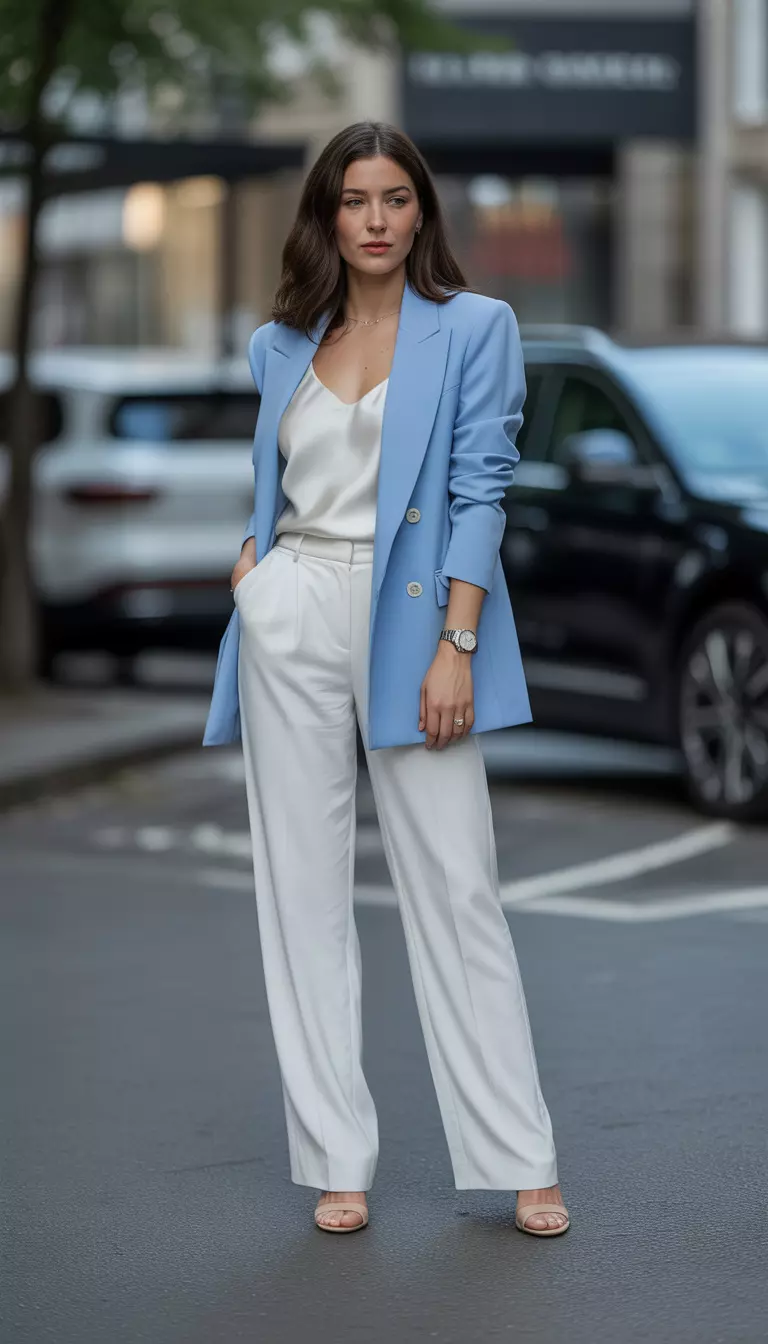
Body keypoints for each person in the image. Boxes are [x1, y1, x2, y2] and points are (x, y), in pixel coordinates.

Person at [203, 120, 570, 1238]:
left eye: (394, 199)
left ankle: (522, 1156)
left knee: (457, 888)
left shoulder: (474, 329)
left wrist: (457, 646)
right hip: (295, 607)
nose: (373, 219)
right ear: (326, 215)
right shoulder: (280, 344)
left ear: (422, 213)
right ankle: (335, 1159)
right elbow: (275, 479)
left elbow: (482, 491)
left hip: (414, 619)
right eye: (353, 200)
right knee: (301, 899)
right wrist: (255, 575)